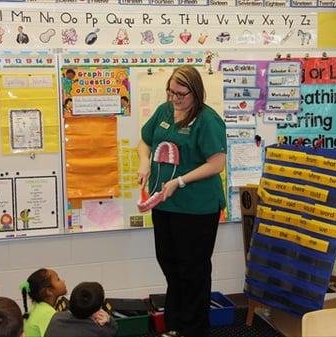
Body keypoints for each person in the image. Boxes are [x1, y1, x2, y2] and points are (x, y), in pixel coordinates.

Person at [137, 65, 226, 337]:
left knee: (193, 271)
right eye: (171, 91)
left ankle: (195, 330)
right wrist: (144, 163)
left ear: (195, 92)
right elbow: (144, 140)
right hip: (164, 204)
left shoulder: (208, 120)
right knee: (169, 263)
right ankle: (175, 326)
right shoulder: (164, 111)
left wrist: (181, 181)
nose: (174, 98)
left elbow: (217, 163)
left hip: (197, 209)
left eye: (181, 93)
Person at [45, 282, 117, 337]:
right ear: (97, 310)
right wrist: (109, 320)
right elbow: (113, 330)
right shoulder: (97, 330)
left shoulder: (56, 318)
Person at [21, 268, 68, 337]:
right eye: (58, 279)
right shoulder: (46, 313)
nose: (63, 281)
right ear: (49, 291)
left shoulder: (38, 308)